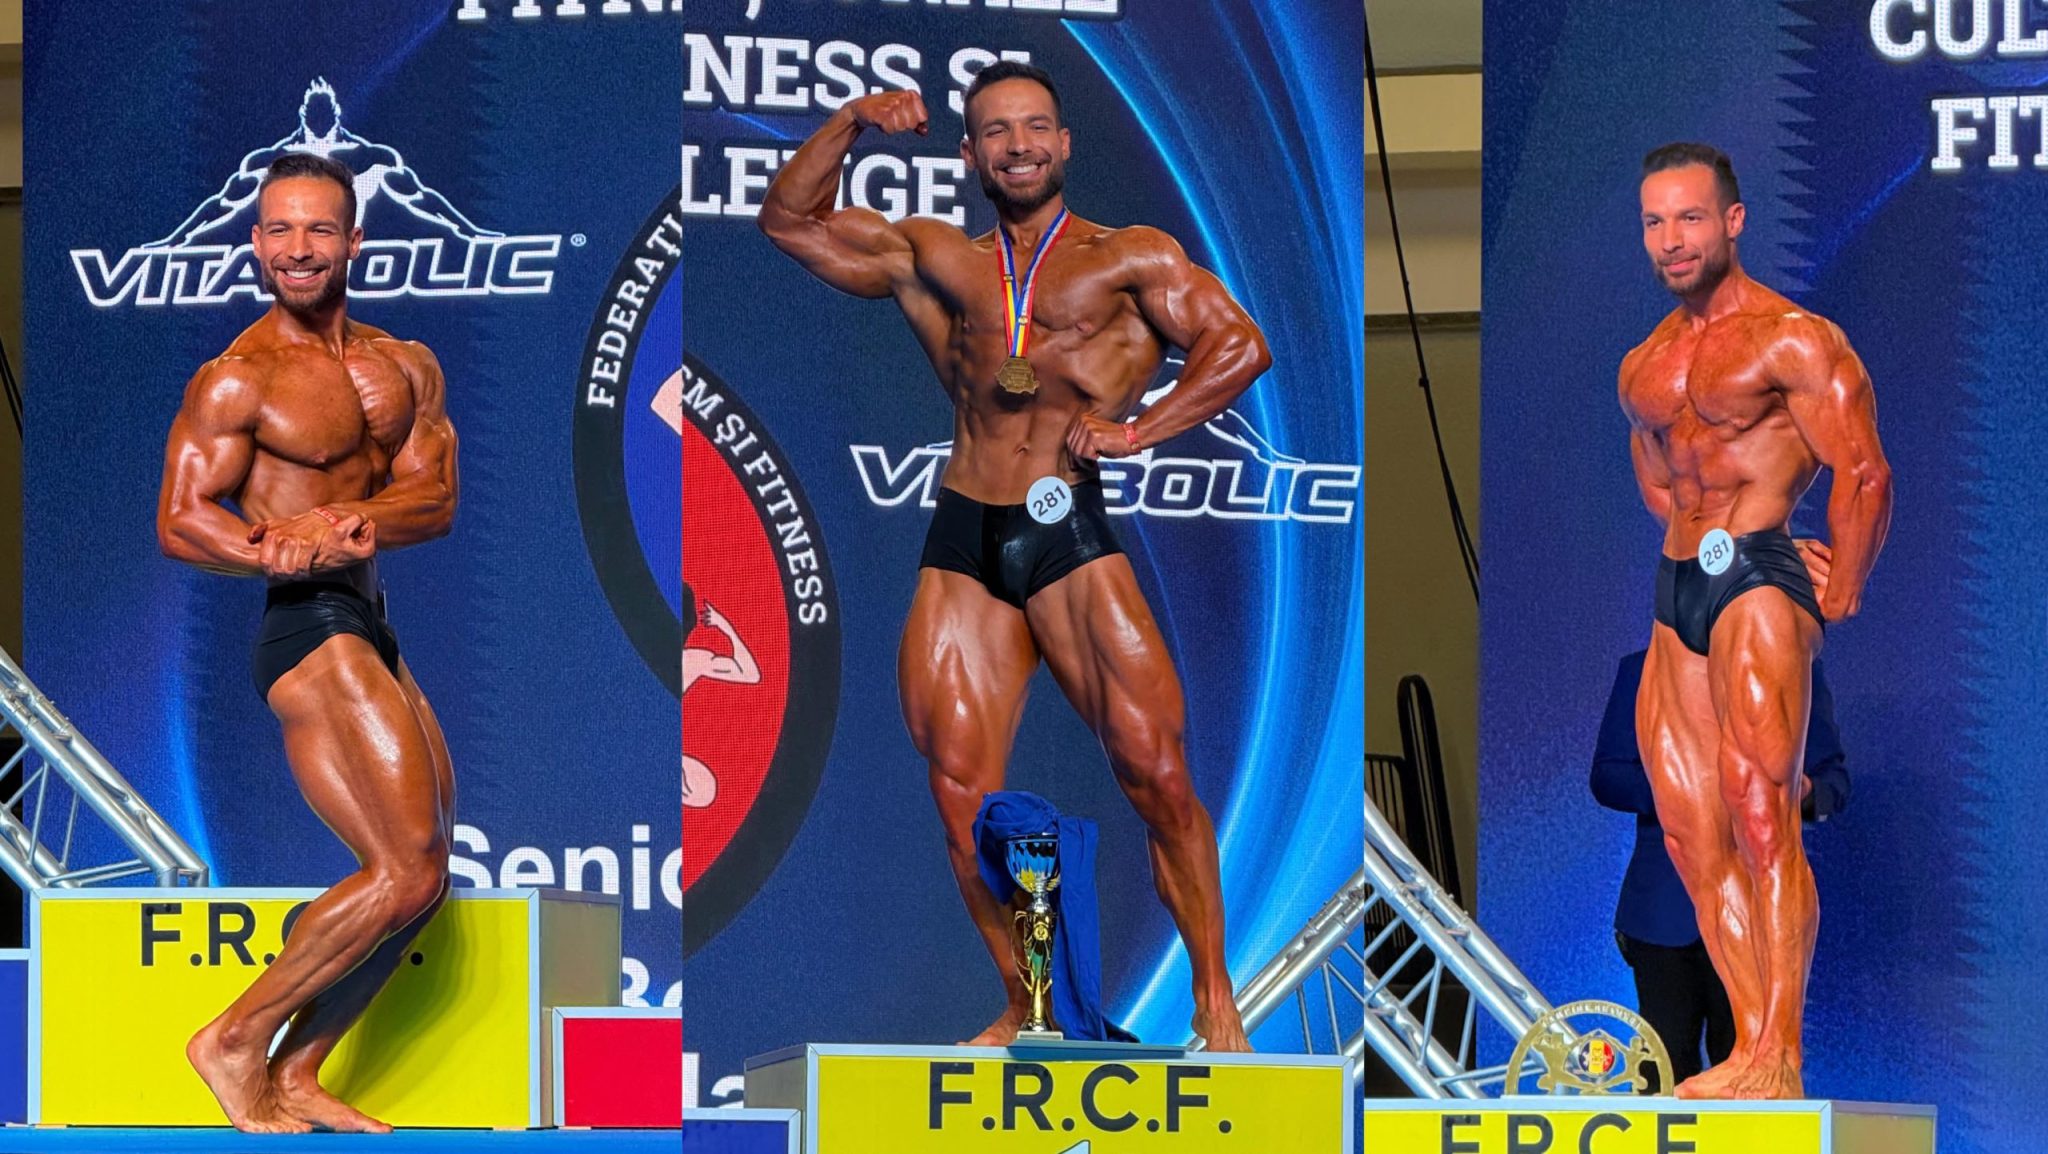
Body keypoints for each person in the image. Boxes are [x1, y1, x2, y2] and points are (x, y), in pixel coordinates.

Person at [758, 62, 1271, 1050]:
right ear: (970, 153)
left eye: (1035, 126)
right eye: (996, 131)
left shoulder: (1130, 258)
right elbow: (789, 221)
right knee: (958, 789)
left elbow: (1239, 345)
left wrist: (1139, 429)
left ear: (1064, 143)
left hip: (1066, 528)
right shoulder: (936, 258)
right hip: (965, 533)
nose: (1018, 145)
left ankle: (1215, 1002)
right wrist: (852, 118)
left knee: (1156, 773)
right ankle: (1030, 1002)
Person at [157, 153, 458, 1133]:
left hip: (367, 616)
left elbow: (434, 499)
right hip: (305, 624)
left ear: (353, 241)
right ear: (255, 242)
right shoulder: (237, 379)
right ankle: (234, 1038)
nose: (298, 248)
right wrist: (269, 548)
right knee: (404, 865)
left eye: (319, 229)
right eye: (279, 229)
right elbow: (180, 518)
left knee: (426, 876)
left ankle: (296, 1071)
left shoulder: (404, 364)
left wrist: (345, 521)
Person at [1621, 141, 1891, 1098]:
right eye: (1655, 222)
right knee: (1691, 835)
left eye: (1690, 218)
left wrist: (1842, 588)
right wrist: (1703, 539)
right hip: (1680, 586)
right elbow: (1661, 483)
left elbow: (1864, 471)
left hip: (1759, 579)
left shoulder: (1794, 340)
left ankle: (1782, 1051)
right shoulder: (1645, 364)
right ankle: (1749, 1049)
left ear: (1733, 221)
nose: (1671, 239)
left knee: (1759, 810)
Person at [1591, 648, 1850, 1092]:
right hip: (1663, 913)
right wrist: (1691, 795)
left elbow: (1833, 782)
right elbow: (1608, 776)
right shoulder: (1645, 667)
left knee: (1753, 1077)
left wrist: (1796, 792)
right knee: (1663, 1071)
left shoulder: (1792, 666)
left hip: (1758, 917)